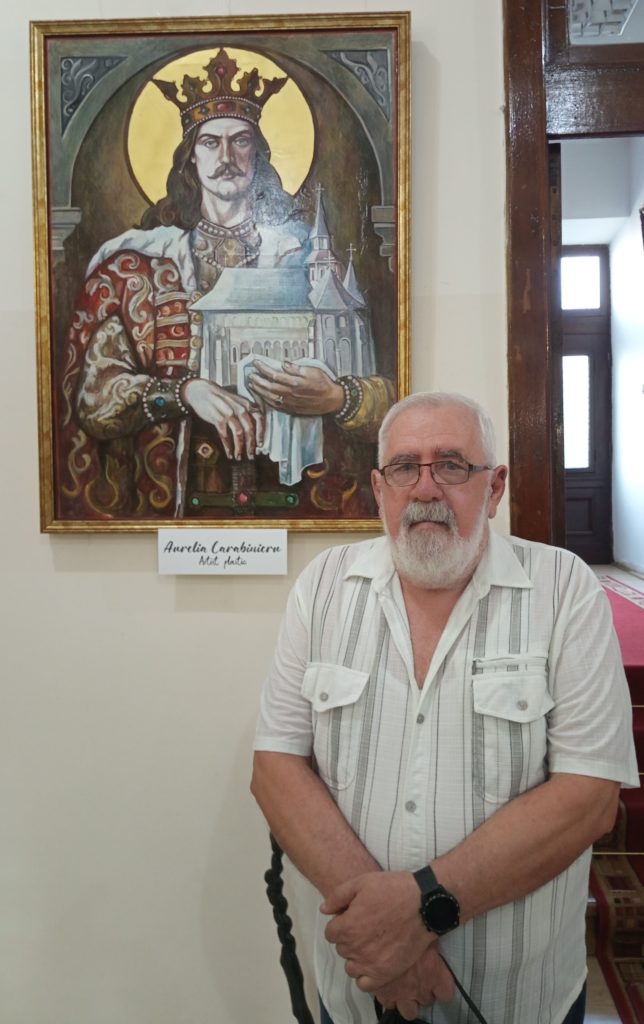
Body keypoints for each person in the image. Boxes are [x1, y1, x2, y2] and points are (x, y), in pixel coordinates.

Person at [251, 390, 639, 1024]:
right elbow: (276, 769)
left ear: (494, 488)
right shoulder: (322, 586)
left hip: (519, 1003)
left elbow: (590, 794)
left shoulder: (565, 588)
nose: (426, 488)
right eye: (405, 467)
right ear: (379, 489)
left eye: (452, 465)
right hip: (358, 997)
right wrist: (387, 942)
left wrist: (423, 910)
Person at [58, 49, 392, 522]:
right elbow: (95, 398)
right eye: (210, 143)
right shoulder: (139, 266)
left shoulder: (309, 257)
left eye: (241, 141)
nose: (227, 157)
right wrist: (185, 392)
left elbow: (386, 394)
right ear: (190, 159)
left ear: (259, 156)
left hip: (297, 505)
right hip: (175, 504)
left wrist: (337, 398)